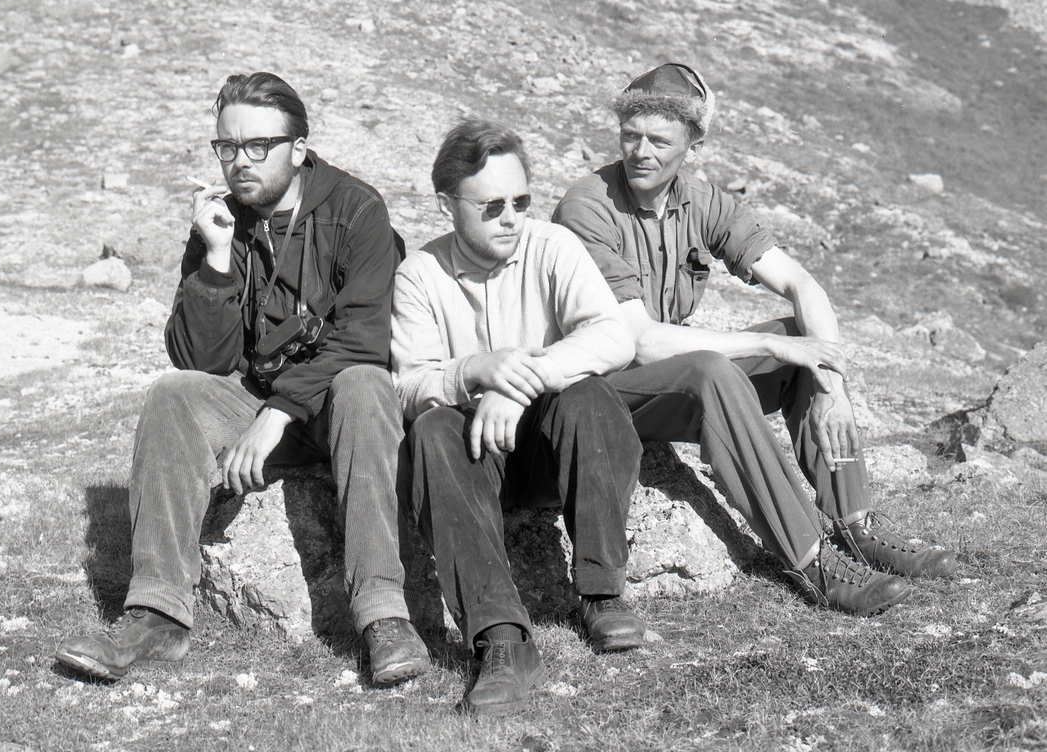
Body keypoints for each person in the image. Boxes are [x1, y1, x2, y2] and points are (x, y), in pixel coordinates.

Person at [56, 72, 429, 685]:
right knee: (172, 396)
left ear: (299, 148)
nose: (240, 162)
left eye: (258, 146)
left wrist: (275, 416)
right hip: (255, 397)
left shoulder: (357, 211)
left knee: (365, 383)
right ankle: (158, 615)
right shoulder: (220, 220)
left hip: (335, 406)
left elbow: (365, 337)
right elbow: (198, 359)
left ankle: (383, 616)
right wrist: (219, 258)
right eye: (226, 147)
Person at [553, 62, 956, 617]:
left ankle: (855, 523)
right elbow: (639, 342)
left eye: (659, 140)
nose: (640, 152)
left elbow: (800, 284)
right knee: (718, 368)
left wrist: (830, 387)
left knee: (800, 338)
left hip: (668, 372)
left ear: (693, 147)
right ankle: (813, 558)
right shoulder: (587, 206)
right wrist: (766, 347)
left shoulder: (703, 201)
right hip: (604, 393)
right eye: (630, 136)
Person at [390, 118, 644, 718]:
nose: (511, 217)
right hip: (471, 458)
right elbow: (407, 385)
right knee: (429, 429)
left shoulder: (551, 245)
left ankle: (603, 593)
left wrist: (522, 384)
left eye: (522, 201)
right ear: (448, 204)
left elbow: (613, 337)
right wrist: (477, 369)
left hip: (550, 448)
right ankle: (503, 639)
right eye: (493, 205)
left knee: (589, 397)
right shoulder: (420, 276)